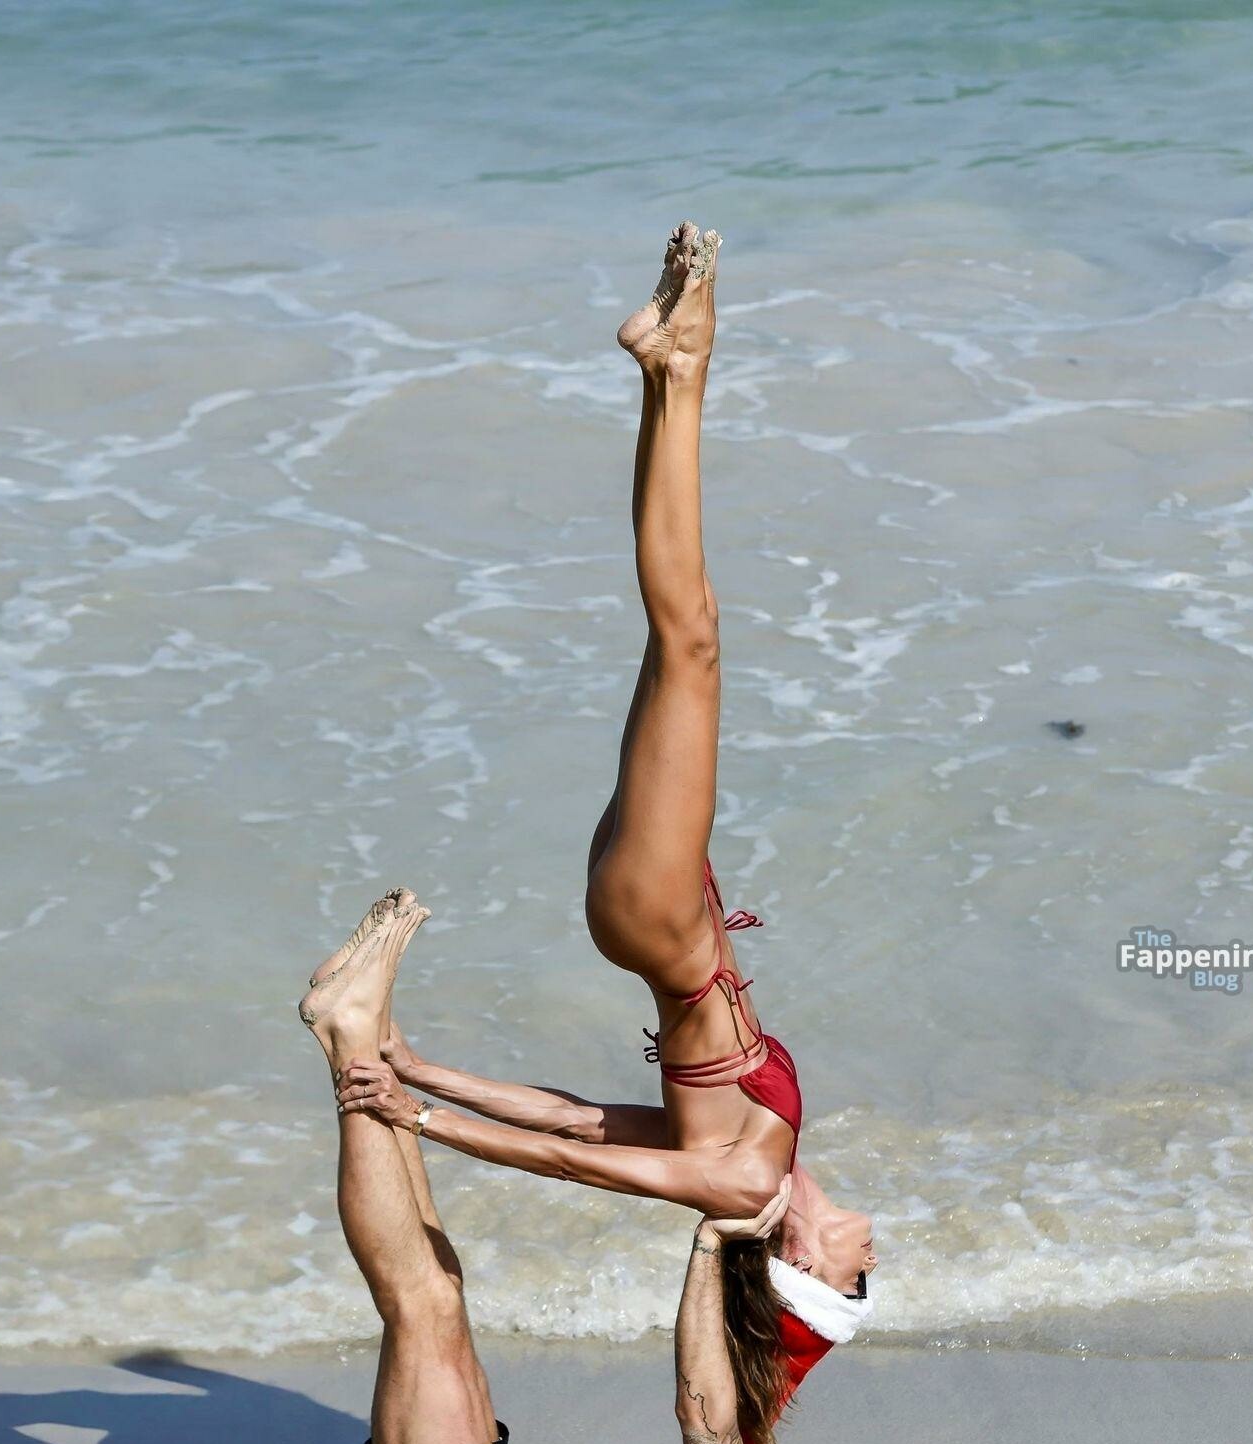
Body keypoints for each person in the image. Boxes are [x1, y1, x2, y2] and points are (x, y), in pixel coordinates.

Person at [323, 223, 875, 1373]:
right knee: (678, 636)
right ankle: (666, 368)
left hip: (660, 918)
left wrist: (418, 1119)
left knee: (691, 636)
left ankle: (681, 366)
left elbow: (578, 1162)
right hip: (659, 910)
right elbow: (578, 1115)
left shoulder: (743, 1184)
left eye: (857, 1278)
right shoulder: (761, 1161)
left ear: (807, 1266)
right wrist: (421, 1070)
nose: (872, 1254)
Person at [297, 898, 1046, 1444]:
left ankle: (348, 1033)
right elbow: (759, 1382)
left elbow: (705, 1424)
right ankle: (362, 1042)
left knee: (424, 1305)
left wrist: (712, 1245)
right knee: (440, 1280)